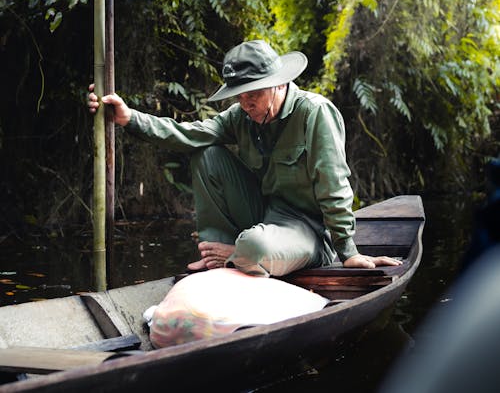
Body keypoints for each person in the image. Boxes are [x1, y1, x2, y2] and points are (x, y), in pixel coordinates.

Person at [88, 40, 401, 276]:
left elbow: (334, 185)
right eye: (240, 96)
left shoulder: (314, 113)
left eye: (253, 94)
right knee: (206, 153)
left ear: (278, 83)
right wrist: (129, 118)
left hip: (308, 232)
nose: (246, 103)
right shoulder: (241, 116)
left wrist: (348, 252)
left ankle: (236, 253)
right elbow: (190, 133)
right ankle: (218, 253)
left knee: (255, 246)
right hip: (265, 214)